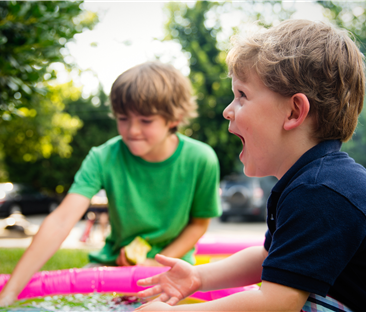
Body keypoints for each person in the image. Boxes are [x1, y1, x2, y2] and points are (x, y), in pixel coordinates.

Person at [134, 20, 366, 312]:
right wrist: (198, 276)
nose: (227, 110)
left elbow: (276, 303)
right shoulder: (312, 181)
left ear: (294, 111)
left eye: (242, 95)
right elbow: (267, 256)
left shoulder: (320, 191)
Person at [0, 61, 222, 306]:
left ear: (174, 118)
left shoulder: (201, 159)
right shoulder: (103, 156)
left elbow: (199, 224)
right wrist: (10, 293)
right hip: (112, 265)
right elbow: (61, 220)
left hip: (173, 268)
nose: (132, 130)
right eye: (123, 118)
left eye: (146, 121)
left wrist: (156, 262)